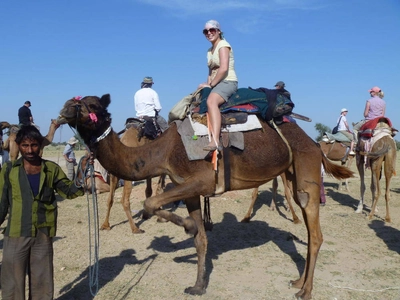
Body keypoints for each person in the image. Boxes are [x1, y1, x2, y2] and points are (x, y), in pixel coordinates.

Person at [0, 125, 84, 299]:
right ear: (18, 146)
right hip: (16, 232)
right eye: (25, 145)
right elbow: (2, 203)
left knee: (42, 282)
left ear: (40, 145)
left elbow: (70, 191)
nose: (30, 150)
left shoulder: (51, 169)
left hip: (43, 233)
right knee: (12, 283)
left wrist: (82, 170)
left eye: (34, 145)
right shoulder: (9, 170)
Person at [198, 20, 238, 151]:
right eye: (206, 31)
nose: (209, 33)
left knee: (211, 101)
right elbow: (210, 72)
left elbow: (223, 69)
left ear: (219, 31)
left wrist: (211, 85)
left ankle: (215, 140)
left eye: (212, 30)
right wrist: (206, 84)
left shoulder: (223, 45)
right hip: (216, 83)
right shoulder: (209, 51)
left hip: (228, 81)